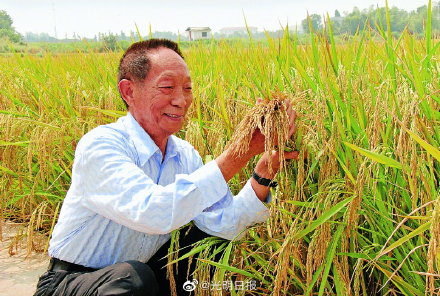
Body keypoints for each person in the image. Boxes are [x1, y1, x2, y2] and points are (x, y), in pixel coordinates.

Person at [34, 38, 299, 296]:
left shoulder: (184, 155)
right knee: (132, 278)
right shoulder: (101, 145)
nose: (181, 100)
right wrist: (240, 152)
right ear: (128, 91)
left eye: (187, 88)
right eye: (167, 87)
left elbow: (224, 224)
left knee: (207, 244)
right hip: (72, 283)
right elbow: (153, 212)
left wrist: (264, 173)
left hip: (139, 279)